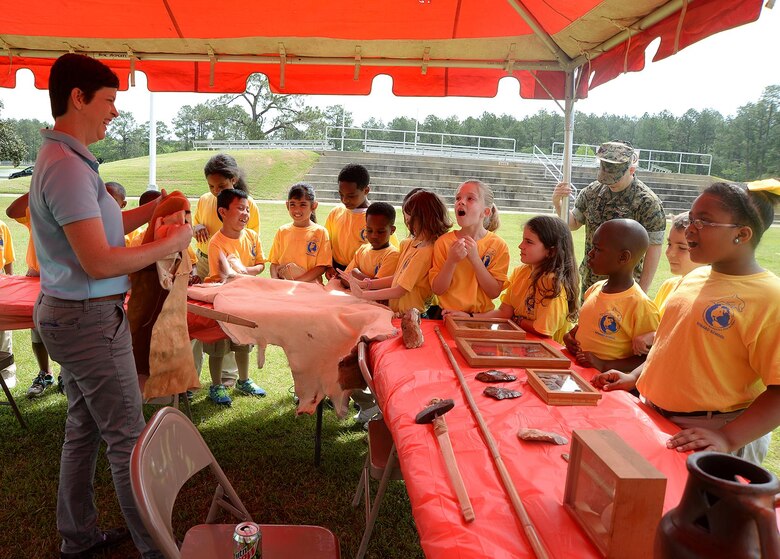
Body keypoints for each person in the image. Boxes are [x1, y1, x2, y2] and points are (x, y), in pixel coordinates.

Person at [28, 53, 191, 559]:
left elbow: (103, 227)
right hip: (88, 320)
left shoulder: (68, 160)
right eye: (109, 101)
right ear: (78, 98)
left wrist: (155, 211)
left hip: (72, 316)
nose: (115, 113)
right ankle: (156, 548)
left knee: (83, 428)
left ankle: (77, 537)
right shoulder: (67, 167)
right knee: (128, 440)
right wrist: (173, 240)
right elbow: (99, 261)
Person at [593, 182, 780, 466]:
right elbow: (670, 345)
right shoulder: (693, 278)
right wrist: (636, 377)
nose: (691, 228)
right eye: (692, 218)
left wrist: (728, 438)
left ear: (742, 234)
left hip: (711, 434)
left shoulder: (770, 297)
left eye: (704, 221)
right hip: (656, 418)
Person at [552, 140, 666, 297]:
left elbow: (654, 247)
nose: (609, 183)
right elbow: (573, 223)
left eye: (614, 179)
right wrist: (558, 203)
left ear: (631, 169)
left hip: (624, 287)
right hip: (591, 282)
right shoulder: (591, 192)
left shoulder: (647, 202)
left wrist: (642, 291)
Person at [447, 215, 579, 344]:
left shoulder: (552, 282)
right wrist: (469, 318)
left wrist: (516, 319)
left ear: (551, 251)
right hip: (521, 346)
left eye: (529, 242)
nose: (521, 246)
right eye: (523, 240)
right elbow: (504, 312)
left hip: (547, 355)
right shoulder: (521, 272)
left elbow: (542, 330)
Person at [192, 154, 258, 385]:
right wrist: (196, 226)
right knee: (198, 323)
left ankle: (228, 378)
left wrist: (239, 272)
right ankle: (192, 379)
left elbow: (249, 242)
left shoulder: (248, 205)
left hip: (233, 273)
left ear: (235, 179)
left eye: (221, 186)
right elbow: (197, 225)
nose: (216, 191)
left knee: (227, 323)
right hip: (203, 265)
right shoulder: (204, 200)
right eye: (211, 186)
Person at [563, 219, 660, 373]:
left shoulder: (641, 306)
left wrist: (603, 364)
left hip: (605, 386)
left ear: (623, 257)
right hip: (577, 374)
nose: (590, 253)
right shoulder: (594, 289)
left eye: (597, 249)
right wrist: (570, 338)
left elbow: (648, 359)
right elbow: (586, 329)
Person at [204, 189, 266, 405]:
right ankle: (216, 385)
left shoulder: (252, 236)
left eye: (247, 209)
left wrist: (243, 270)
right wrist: (240, 271)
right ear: (222, 211)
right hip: (223, 300)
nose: (245, 213)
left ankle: (244, 380)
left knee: (243, 342)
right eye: (240, 208)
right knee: (219, 346)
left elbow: (260, 265)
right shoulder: (216, 242)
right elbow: (225, 276)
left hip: (245, 300)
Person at [347, 189, 452, 315]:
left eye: (410, 220)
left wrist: (364, 294)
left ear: (423, 218)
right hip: (397, 312)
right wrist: (367, 284)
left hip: (412, 315)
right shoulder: (409, 243)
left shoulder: (425, 253)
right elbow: (398, 278)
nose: (407, 223)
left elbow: (400, 290)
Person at [6, 193, 62, 397]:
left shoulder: (75, 216)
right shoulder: (37, 215)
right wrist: (39, 188)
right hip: (35, 281)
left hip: (64, 283)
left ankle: (66, 375)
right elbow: (12, 211)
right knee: (37, 328)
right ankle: (45, 373)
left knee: (65, 328)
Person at [632, 212, 706, 355]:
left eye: (682, 248)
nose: (670, 253)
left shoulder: (706, 296)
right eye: (669, 244)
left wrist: (655, 337)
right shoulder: (669, 285)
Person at [432, 180, 509, 315]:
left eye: (470, 198)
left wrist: (475, 258)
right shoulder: (443, 242)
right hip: (447, 316)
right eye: (458, 198)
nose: (461, 202)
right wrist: (451, 261)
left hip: (480, 320)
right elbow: (438, 289)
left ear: (485, 212)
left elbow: (494, 292)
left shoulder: (498, 245)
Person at [269, 183, 332, 283]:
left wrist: (297, 283)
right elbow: (274, 263)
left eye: (303, 204)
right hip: (284, 285)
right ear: (287, 205)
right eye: (292, 204)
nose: (297, 209)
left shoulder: (320, 232)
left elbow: (321, 266)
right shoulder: (282, 231)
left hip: (310, 287)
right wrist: (276, 280)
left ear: (314, 206)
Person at [338, 201, 399, 288]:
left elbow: (377, 288)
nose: (374, 236)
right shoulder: (362, 250)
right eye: (369, 230)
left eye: (380, 232)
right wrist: (367, 281)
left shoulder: (392, 255)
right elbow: (344, 279)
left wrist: (356, 273)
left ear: (392, 230)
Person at [0, 217, 16, 389]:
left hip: (1, 284)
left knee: (4, 329)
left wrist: (10, 283)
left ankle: (7, 373)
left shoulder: (1, 226)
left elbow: (8, 258)